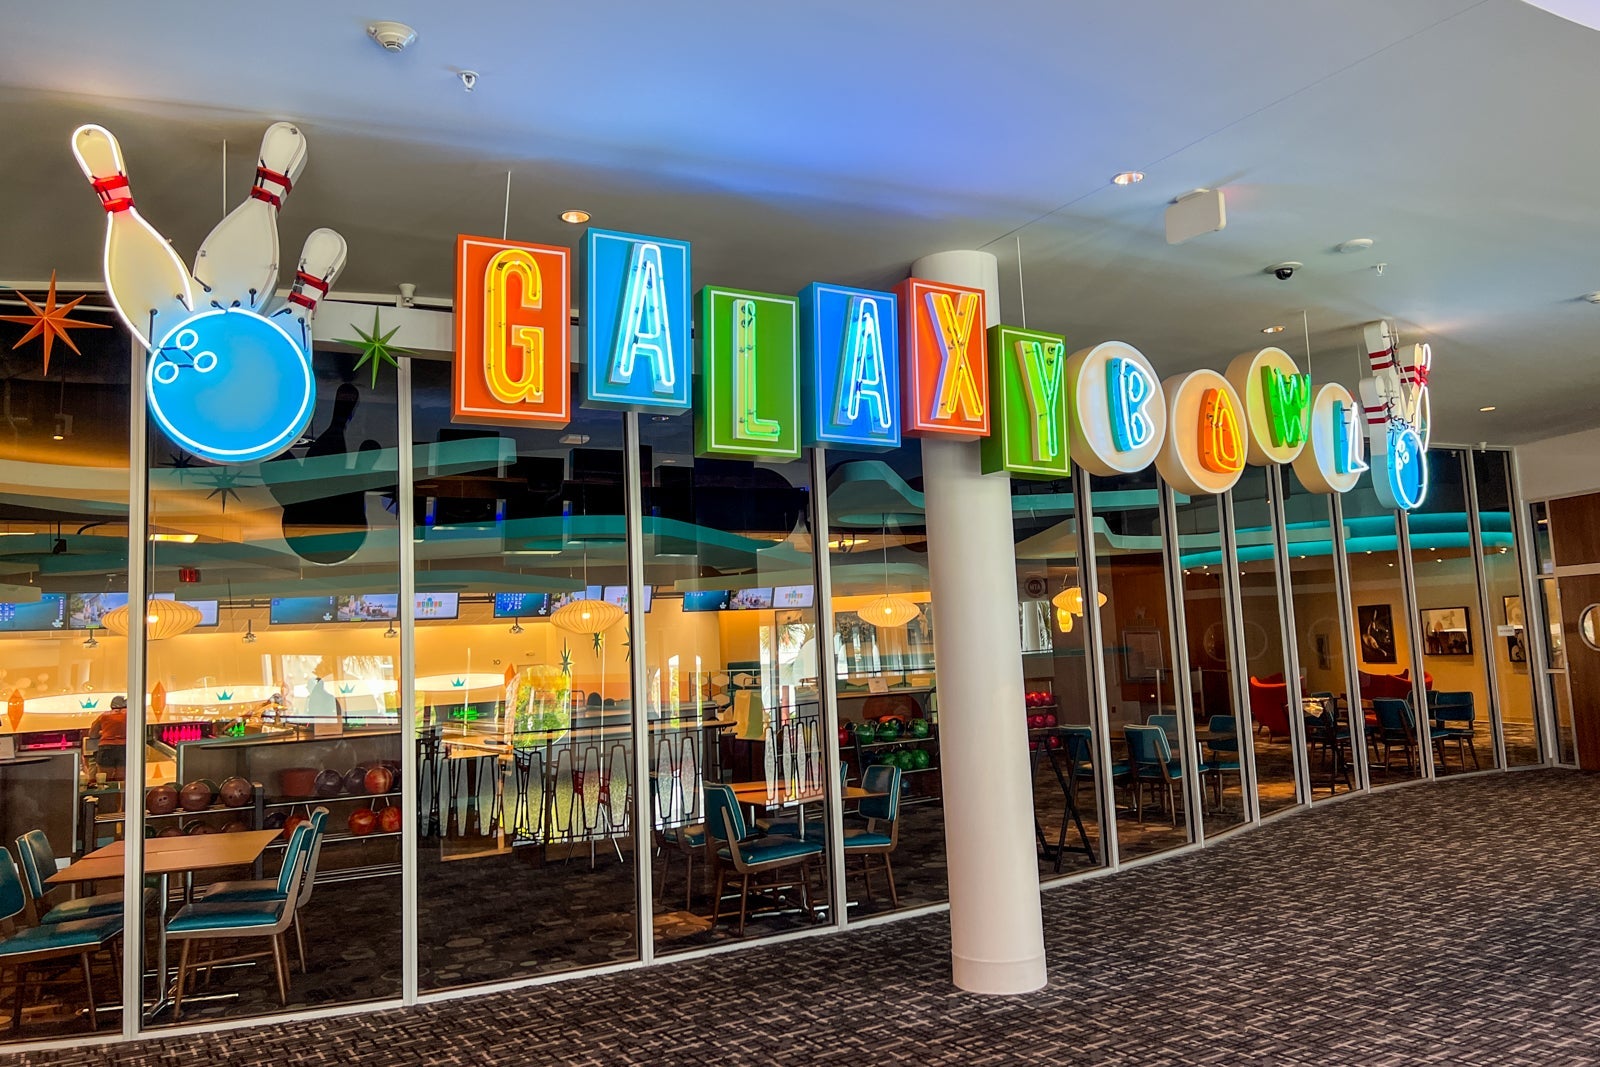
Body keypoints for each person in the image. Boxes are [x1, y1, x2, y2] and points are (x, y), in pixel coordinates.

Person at [88, 695, 128, 781]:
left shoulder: (104, 716)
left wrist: (104, 732)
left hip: (106, 748)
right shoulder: (130, 715)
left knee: (104, 780)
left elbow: (92, 734)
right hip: (124, 748)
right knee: (121, 780)